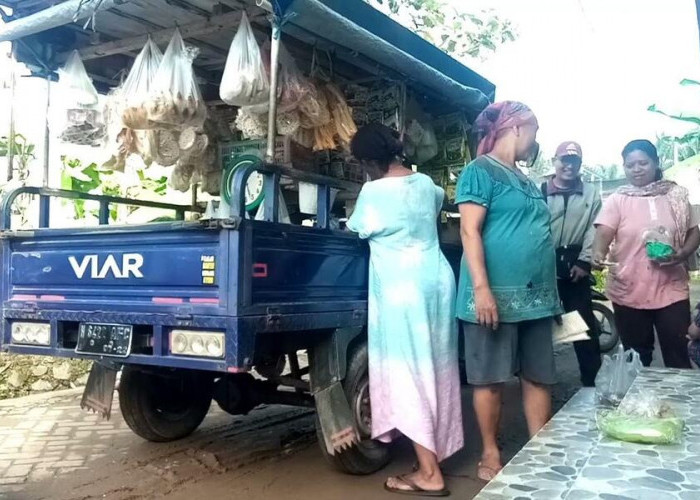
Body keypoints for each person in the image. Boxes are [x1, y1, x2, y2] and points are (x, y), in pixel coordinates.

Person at [346, 123, 462, 496]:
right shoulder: (428, 186)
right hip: (437, 282)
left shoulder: (373, 192)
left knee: (410, 374)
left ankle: (430, 474)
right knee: (437, 370)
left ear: (367, 160)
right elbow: (439, 200)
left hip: (402, 290)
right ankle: (434, 456)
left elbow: (357, 229)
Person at [455, 101, 560, 482]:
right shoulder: (479, 172)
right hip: (493, 297)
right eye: (535, 131)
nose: (536, 140)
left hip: (536, 299)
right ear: (517, 128)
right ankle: (490, 452)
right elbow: (469, 231)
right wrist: (482, 289)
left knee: (538, 376)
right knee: (490, 379)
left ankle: (539, 448)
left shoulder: (526, 180)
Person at [593, 139, 700, 368]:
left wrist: (683, 254)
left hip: (671, 289)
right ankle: (639, 404)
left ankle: (677, 403)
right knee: (636, 358)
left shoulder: (676, 196)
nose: (636, 169)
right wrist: (598, 254)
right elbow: (603, 233)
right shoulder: (618, 199)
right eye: (630, 165)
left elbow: (694, 231)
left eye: (643, 163)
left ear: (656, 163)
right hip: (629, 289)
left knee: (678, 354)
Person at [542, 142, 602, 387]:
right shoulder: (540, 190)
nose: (568, 166)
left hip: (576, 266)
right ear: (554, 161)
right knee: (539, 328)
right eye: (563, 160)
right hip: (544, 265)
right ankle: (539, 383)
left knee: (583, 327)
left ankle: (593, 383)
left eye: (574, 161)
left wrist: (584, 261)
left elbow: (594, 229)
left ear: (580, 164)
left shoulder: (590, 193)